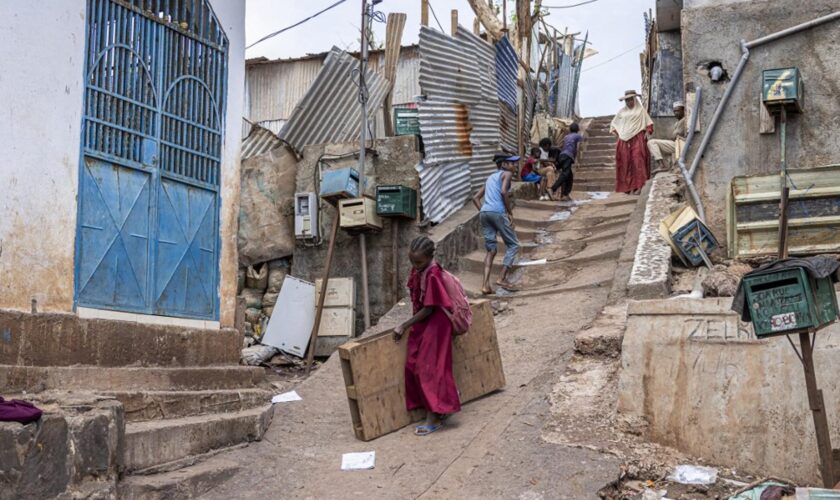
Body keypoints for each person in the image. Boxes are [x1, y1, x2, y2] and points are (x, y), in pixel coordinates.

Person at [392, 236, 461, 436]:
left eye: (419, 262)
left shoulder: (432, 274)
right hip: (424, 323)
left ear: (430, 257)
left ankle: (434, 418)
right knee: (413, 363)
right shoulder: (420, 270)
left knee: (429, 368)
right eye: (412, 262)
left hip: (437, 323)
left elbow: (430, 308)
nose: (415, 266)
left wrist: (403, 326)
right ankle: (437, 405)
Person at [472, 153, 520, 294]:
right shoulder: (506, 174)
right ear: (504, 164)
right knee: (513, 244)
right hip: (497, 212)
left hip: (484, 213)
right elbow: (504, 191)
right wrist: (509, 213)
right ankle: (502, 278)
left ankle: (485, 285)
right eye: (512, 163)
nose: (514, 166)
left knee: (491, 250)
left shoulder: (490, 178)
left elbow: (475, 198)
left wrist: (485, 211)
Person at [610, 90, 654, 195]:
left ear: (634, 99)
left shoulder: (641, 111)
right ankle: (627, 187)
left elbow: (649, 123)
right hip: (624, 141)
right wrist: (618, 133)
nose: (629, 102)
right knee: (624, 163)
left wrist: (648, 131)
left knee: (638, 161)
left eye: (630, 100)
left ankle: (640, 186)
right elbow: (614, 124)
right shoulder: (622, 112)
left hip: (637, 138)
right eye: (627, 100)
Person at [647, 101, 687, 174]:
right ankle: (666, 165)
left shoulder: (684, 121)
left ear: (683, 110)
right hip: (677, 144)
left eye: (678, 111)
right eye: (674, 111)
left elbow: (674, 136)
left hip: (682, 145)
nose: (676, 113)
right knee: (656, 145)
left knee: (652, 142)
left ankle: (662, 166)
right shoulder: (678, 122)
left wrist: (674, 137)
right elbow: (673, 137)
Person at [547, 123, 584, 201]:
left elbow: (563, 146)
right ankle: (552, 189)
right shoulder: (578, 136)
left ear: (570, 129)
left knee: (569, 176)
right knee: (565, 174)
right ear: (578, 130)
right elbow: (578, 148)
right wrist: (577, 160)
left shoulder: (566, 136)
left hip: (562, 155)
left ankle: (565, 195)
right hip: (568, 156)